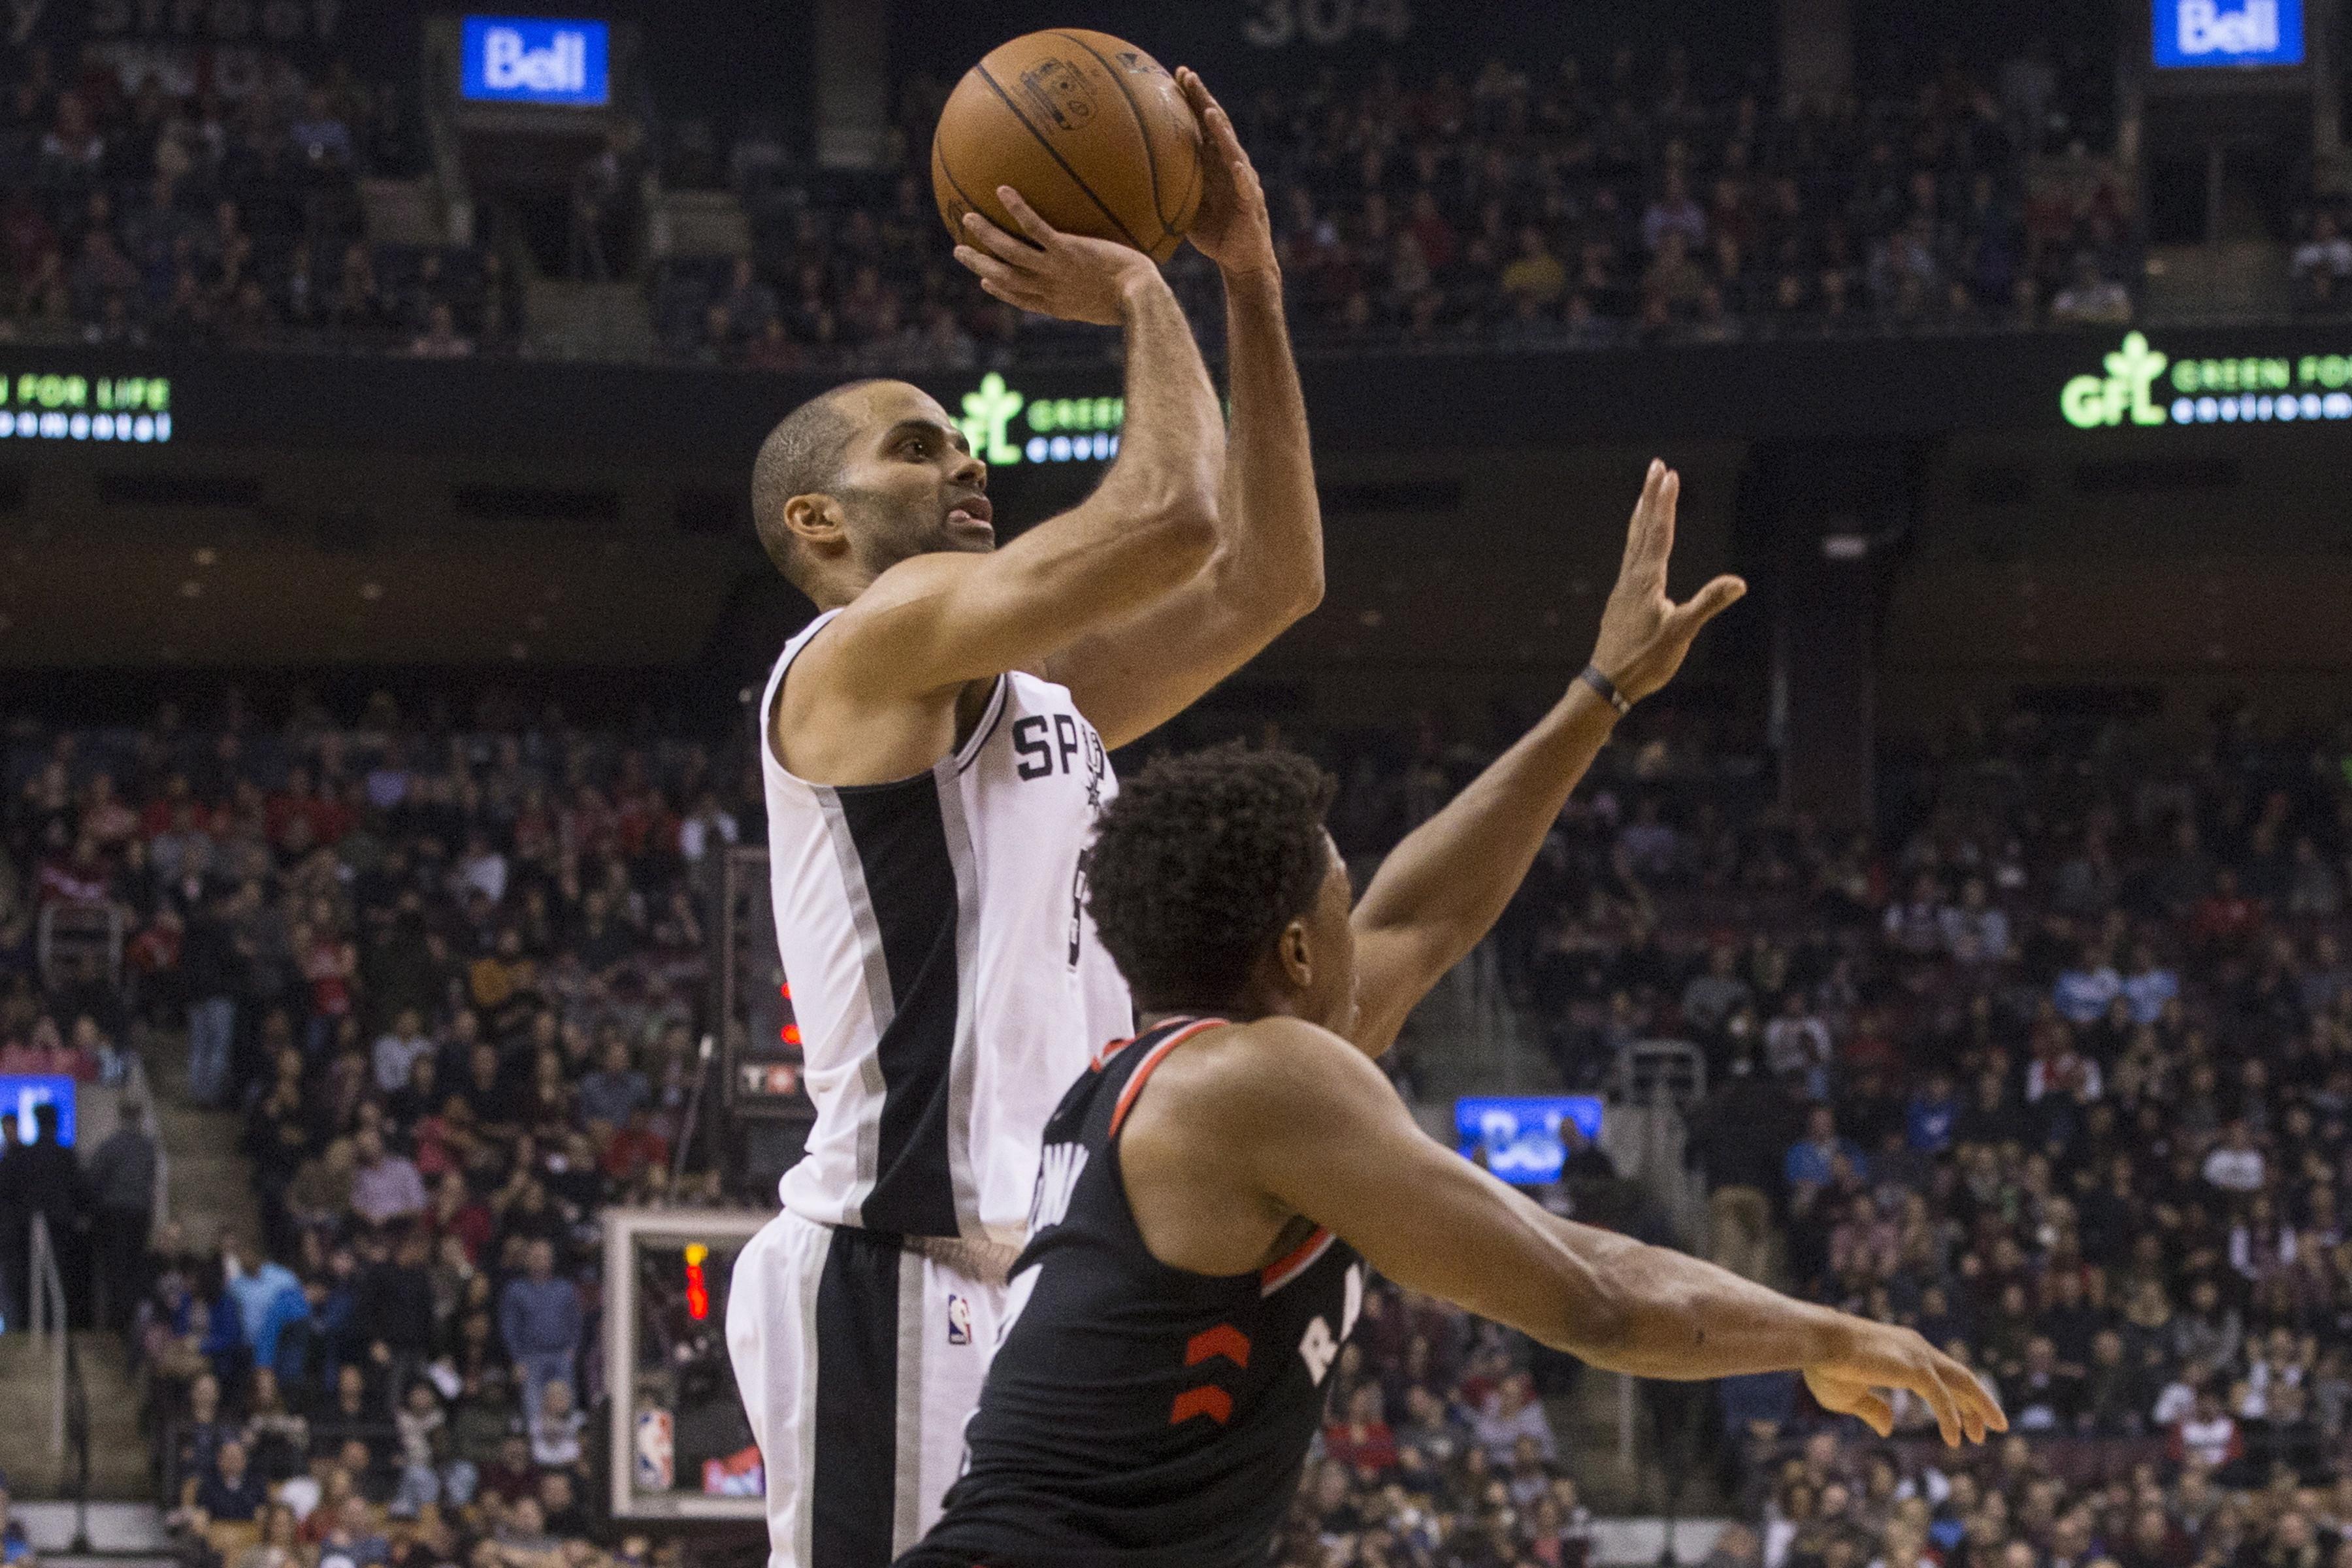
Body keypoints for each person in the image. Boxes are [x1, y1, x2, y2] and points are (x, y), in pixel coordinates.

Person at [900, 465, 1869, 1568]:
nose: (1369, 932)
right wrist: (1830, 1333)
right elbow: (1596, 1298)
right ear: (1300, 952)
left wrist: (1601, 694)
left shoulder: (1186, 1081)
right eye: (1340, 907)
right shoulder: (1256, 1088)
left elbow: (1430, 916)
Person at [727, 71, 1326, 1568]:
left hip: (1034, 1274)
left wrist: (1247, 283)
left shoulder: (1028, 692)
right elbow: (1175, 517)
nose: (966, 460)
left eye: (961, 440)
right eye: (917, 449)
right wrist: (1139, 294)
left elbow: (1269, 578)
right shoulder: (860, 651)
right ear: (820, 523)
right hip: (891, 1266)